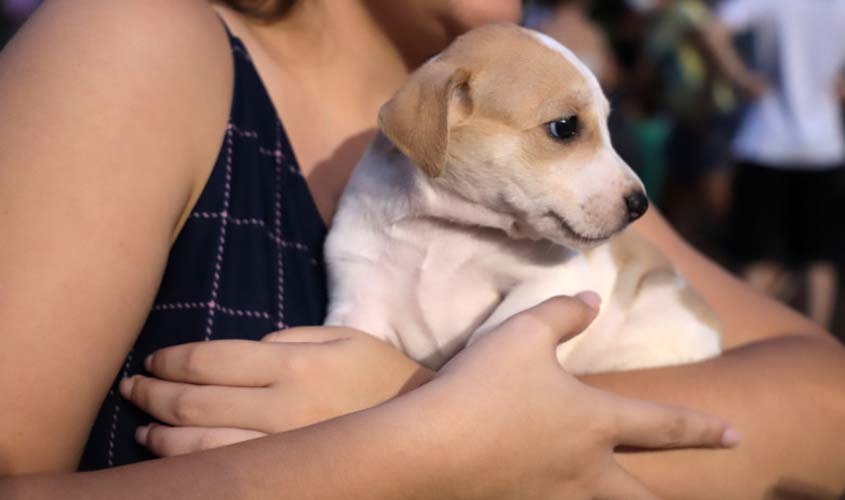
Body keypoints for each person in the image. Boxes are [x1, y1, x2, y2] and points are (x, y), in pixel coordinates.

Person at [0, 0, 844, 498]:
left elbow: (827, 400)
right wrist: (422, 451)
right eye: (566, 131)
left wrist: (451, 423)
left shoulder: (527, 183)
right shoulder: (138, 39)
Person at [700, 0, 845, 329]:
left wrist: (738, 77)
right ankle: (815, 347)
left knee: (757, 256)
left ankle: (747, 339)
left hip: (765, 141)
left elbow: (711, 32)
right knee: (820, 258)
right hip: (824, 146)